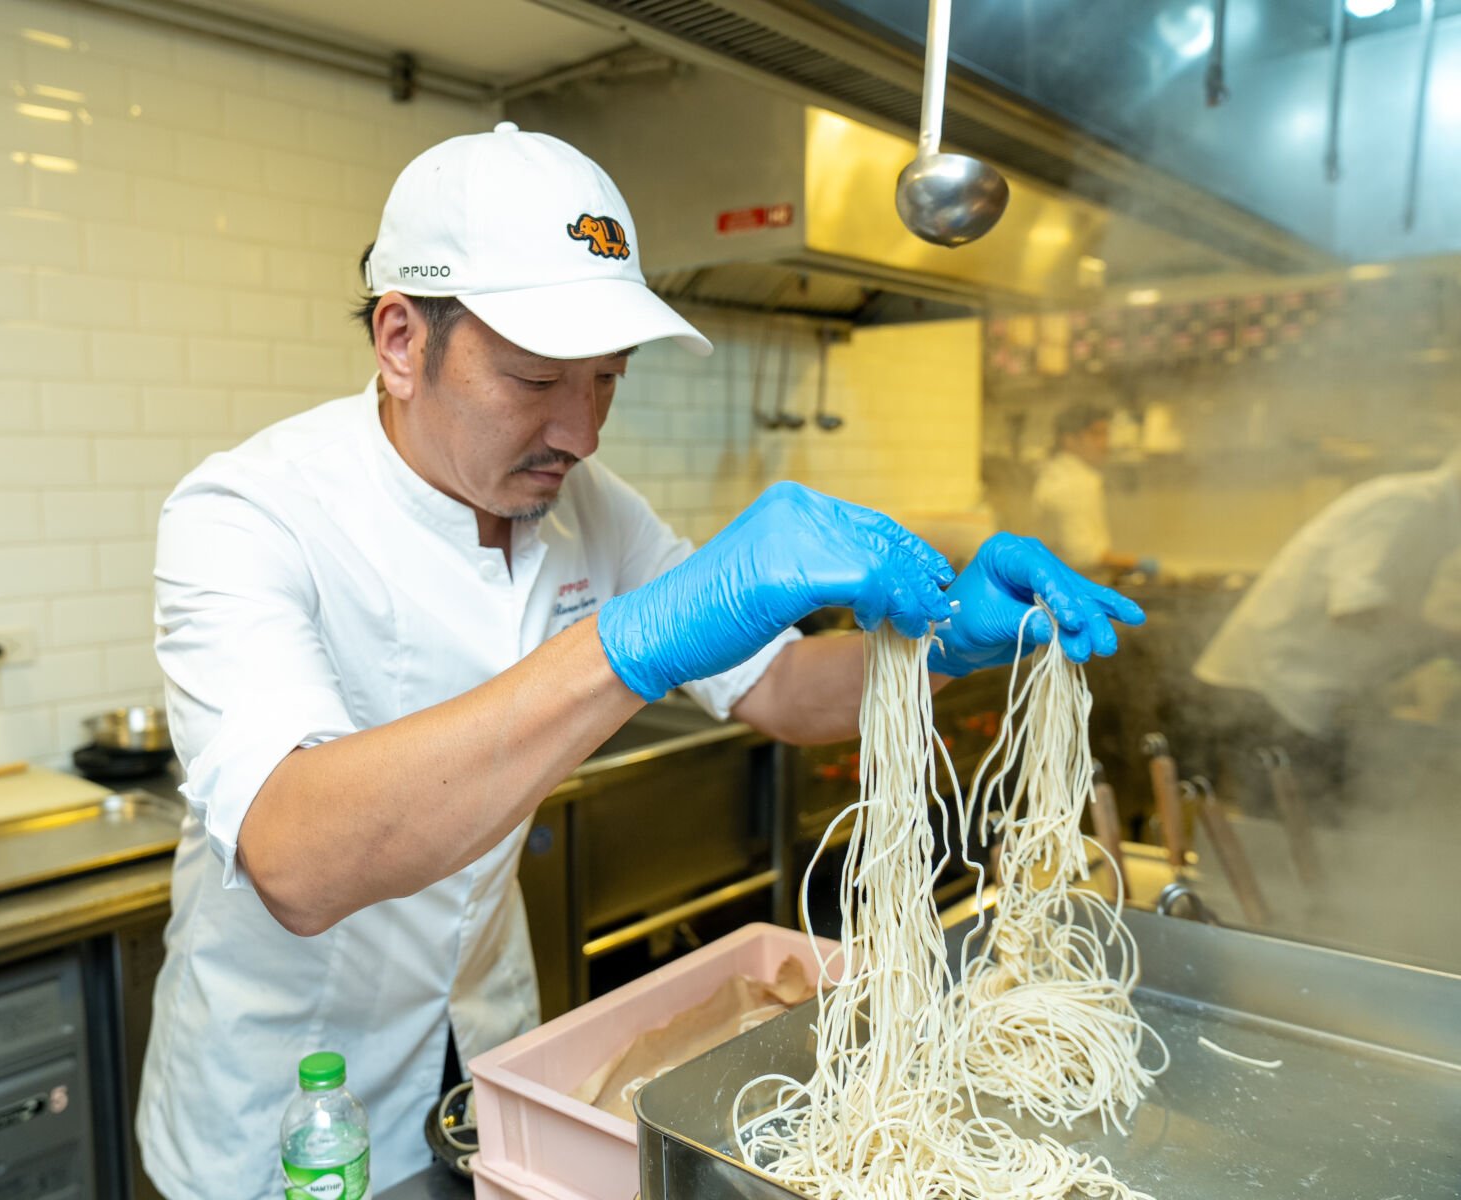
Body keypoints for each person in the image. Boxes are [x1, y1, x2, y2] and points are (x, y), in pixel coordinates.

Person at [134, 121, 1144, 1199]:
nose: (582, 433)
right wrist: (630, 642)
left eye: (606, 382)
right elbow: (298, 860)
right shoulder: (249, 514)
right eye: (535, 381)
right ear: (399, 341)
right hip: (287, 1107)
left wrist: (948, 646)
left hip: (487, 1059)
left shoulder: (585, 507)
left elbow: (785, 689)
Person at [1193, 447, 1461, 751]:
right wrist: (1446, 641)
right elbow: (1354, 607)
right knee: (1286, 797)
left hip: (1308, 694)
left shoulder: (1443, 520)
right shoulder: (1410, 504)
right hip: (1271, 689)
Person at [1031, 403, 1150, 577]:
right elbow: (1083, 556)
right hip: (1071, 592)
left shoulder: (1064, 476)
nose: (1105, 443)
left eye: (1106, 434)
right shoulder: (1070, 484)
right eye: (1096, 434)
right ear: (1069, 439)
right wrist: (1136, 563)